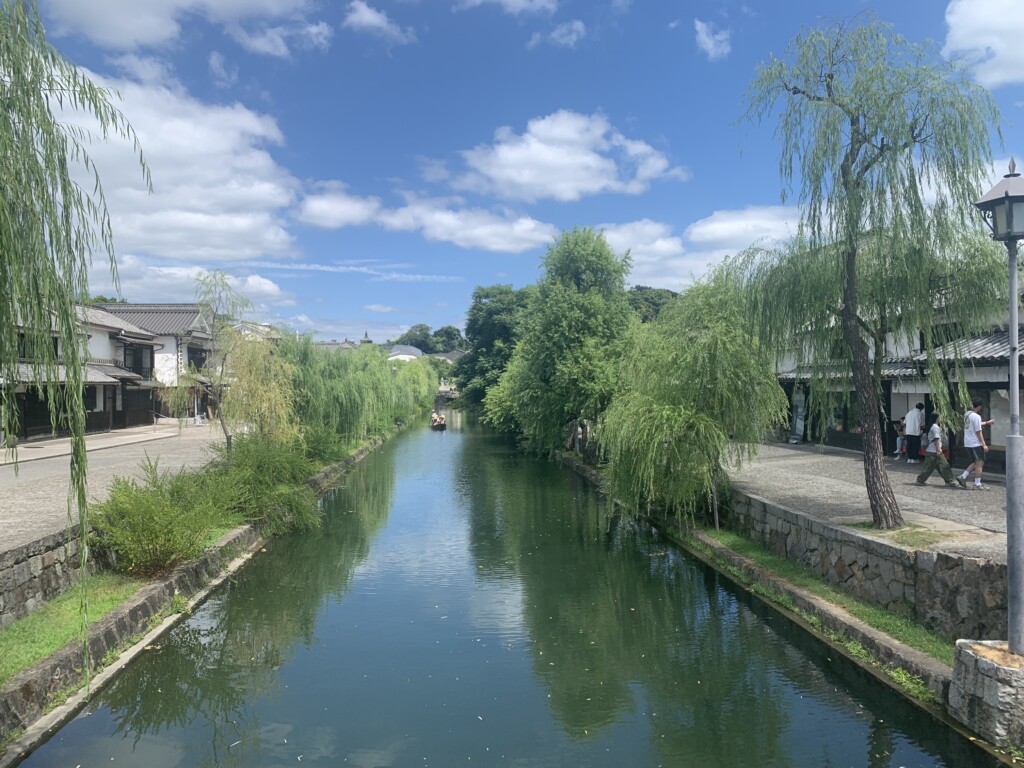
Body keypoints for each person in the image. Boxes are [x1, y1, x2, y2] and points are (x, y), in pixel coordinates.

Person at [957, 399, 995, 490]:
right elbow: (978, 431)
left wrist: (986, 423)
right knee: (980, 463)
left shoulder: (967, 414)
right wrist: (984, 444)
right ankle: (977, 483)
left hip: (968, 442)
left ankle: (963, 476)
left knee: (976, 462)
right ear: (979, 406)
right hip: (975, 443)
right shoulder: (976, 416)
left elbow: (974, 425)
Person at [915, 413, 959, 488]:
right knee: (944, 466)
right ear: (936, 418)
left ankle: (921, 480)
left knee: (932, 467)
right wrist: (938, 450)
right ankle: (950, 480)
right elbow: (936, 439)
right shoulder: (935, 427)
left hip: (931, 450)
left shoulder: (931, 426)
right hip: (935, 450)